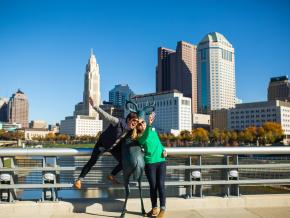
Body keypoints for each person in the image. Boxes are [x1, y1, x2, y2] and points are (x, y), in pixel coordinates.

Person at [74, 97, 139, 189]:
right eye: (133, 121)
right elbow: (105, 115)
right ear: (128, 120)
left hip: (113, 147)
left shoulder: (131, 130)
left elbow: (141, 130)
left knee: (124, 162)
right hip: (102, 144)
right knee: (92, 161)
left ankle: (111, 175)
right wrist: (95, 106)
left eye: (136, 122)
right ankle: (79, 180)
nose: (135, 123)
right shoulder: (117, 122)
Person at [137, 112, 167, 218]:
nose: (142, 125)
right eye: (140, 124)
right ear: (138, 127)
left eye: (143, 122)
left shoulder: (153, 132)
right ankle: (154, 208)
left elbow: (158, 143)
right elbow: (146, 136)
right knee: (153, 186)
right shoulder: (140, 138)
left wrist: (164, 150)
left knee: (161, 185)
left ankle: (162, 209)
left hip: (161, 161)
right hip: (150, 163)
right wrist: (149, 124)